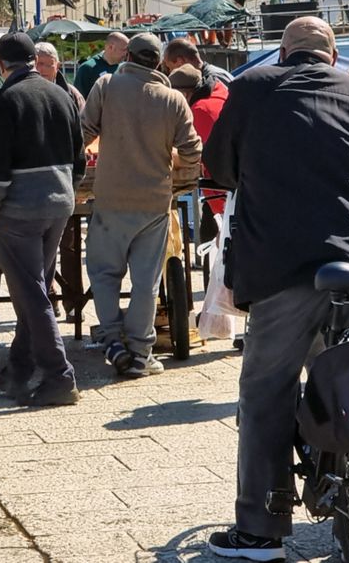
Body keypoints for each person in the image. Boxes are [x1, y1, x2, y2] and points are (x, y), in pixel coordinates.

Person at [203, 17, 349, 560]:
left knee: (266, 389)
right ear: (334, 52)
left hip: (286, 263)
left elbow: (218, 166)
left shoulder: (253, 86)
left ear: (285, 50)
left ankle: (260, 532)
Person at [81, 34, 201, 377]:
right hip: (153, 202)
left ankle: (113, 342)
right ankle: (140, 352)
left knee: (103, 275)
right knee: (146, 282)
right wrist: (170, 158)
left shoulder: (106, 86)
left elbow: (82, 133)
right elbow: (193, 152)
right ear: (158, 63)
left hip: (110, 197)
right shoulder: (173, 99)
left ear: (128, 56)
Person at [0, 32, 86, 406]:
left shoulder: (4, 101)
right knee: (34, 288)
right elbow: (80, 161)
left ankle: (59, 375)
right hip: (59, 204)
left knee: (31, 294)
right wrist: (66, 191)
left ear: (1, 64)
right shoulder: (62, 94)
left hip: (19, 210)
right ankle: (19, 368)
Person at [34, 42, 85, 320]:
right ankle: (47, 297)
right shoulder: (26, 93)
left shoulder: (72, 96)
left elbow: (84, 136)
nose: (41, 70)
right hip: (35, 184)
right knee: (38, 247)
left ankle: (73, 301)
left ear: (56, 66)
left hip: (65, 181)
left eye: (46, 64)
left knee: (69, 244)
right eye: (37, 64)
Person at [167, 63, 229, 243]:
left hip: (224, 190)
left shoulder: (200, 110)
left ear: (184, 94)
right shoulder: (219, 92)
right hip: (228, 187)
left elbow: (197, 155)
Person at [162, 36, 235, 88]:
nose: (171, 72)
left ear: (180, 61)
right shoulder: (209, 77)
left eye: (170, 68)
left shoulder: (213, 80)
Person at [74, 32, 128, 98]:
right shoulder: (87, 68)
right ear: (111, 47)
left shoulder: (125, 67)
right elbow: (78, 100)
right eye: (124, 50)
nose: (126, 53)